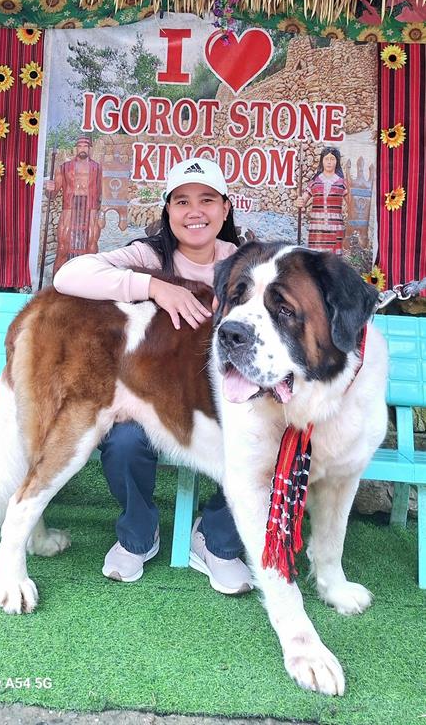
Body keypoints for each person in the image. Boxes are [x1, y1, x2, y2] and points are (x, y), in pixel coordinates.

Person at [53, 156, 254, 595]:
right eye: (182, 201)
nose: (194, 212)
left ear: (225, 208)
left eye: (207, 200)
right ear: (168, 210)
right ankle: (139, 533)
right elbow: (68, 275)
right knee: (123, 441)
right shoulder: (149, 255)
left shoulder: (246, 261)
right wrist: (154, 286)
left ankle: (217, 540)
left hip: (225, 396)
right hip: (151, 396)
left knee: (263, 441)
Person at [45, 136, 103, 275]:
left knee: (91, 248)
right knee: (63, 248)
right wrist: (49, 189)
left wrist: (102, 214)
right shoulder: (64, 168)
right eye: (80, 146)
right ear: (76, 148)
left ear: (90, 149)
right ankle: (56, 284)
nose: (82, 149)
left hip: (90, 208)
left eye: (85, 146)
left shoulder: (98, 168)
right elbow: (51, 195)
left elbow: (105, 193)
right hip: (70, 207)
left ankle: (88, 283)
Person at [295, 146, 347, 254]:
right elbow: (304, 199)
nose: (329, 162)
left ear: (337, 162)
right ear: (322, 161)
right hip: (317, 228)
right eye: (326, 159)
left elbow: (351, 203)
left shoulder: (342, 183)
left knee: (333, 258)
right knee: (316, 257)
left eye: (332, 159)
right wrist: (300, 201)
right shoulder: (315, 182)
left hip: (335, 227)